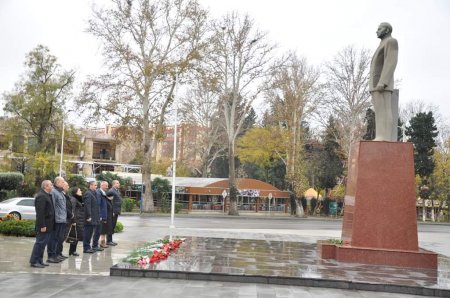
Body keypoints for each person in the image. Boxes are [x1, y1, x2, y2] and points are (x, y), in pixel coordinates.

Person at [369, 22, 399, 141]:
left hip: (382, 84)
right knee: (379, 112)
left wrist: (383, 82)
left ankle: (384, 137)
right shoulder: (382, 43)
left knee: (385, 110)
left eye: (379, 28)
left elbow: (391, 62)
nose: (376, 31)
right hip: (376, 84)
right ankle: (380, 136)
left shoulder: (391, 41)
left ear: (386, 30)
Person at [29, 180, 54, 268]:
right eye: (51, 185)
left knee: (43, 244)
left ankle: (39, 260)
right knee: (40, 243)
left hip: (48, 225)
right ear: (46, 186)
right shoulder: (42, 196)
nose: (52, 186)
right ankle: (34, 261)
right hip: (44, 225)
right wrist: (42, 225)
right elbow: (40, 213)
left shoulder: (46, 195)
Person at [48, 176, 68, 263]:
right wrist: (53, 219)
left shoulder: (60, 193)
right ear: (58, 183)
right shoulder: (54, 192)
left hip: (62, 219)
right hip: (57, 220)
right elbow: (52, 207)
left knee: (58, 239)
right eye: (63, 182)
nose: (64, 183)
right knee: (53, 238)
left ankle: (56, 254)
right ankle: (51, 256)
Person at [83, 181, 100, 253]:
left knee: (90, 233)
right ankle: (86, 248)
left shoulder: (94, 193)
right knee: (87, 233)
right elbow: (87, 205)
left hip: (94, 217)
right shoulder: (88, 193)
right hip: (89, 218)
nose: (96, 187)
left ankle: (88, 247)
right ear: (91, 185)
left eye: (96, 185)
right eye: (95, 185)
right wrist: (88, 216)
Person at [68, 187, 84, 256]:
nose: (81, 191)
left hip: (79, 220)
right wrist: (73, 220)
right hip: (76, 220)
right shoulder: (73, 199)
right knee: (74, 236)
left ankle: (73, 250)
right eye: (79, 190)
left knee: (77, 236)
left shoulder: (78, 199)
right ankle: (72, 251)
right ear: (76, 192)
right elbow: (72, 210)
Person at [93, 181, 108, 251]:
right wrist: (100, 215)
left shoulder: (102, 192)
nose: (107, 187)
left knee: (99, 231)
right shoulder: (99, 192)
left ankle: (96, 245)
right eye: (106, 186)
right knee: (97, 231)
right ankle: (95, 245)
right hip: (100, 215)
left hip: (103, 215)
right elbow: (98, 204)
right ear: (102, 185)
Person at [107, 180, 122, 246]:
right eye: (117, 183)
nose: (119, 184)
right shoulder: (111, 191)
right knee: (111, 226)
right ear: (113, 184)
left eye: (118, 183)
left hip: (116, 211)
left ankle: (110, 240)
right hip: (113, 211)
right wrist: (112, 211)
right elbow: (110, 202)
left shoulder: (116, 190)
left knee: (113, 226)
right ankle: (109, 241)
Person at [100, 183, 113, 249]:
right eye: (111, 196)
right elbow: (103, 208)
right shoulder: (106, 200)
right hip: (104, 217)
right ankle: (102, 242)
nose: (112, 198)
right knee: (103, 230)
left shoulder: (109, 201)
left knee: (105, 230)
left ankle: (103, 242)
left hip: (107, 217)